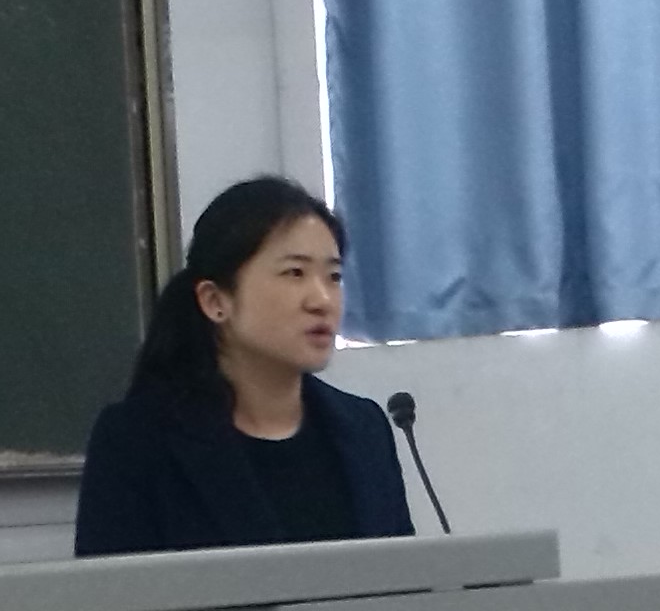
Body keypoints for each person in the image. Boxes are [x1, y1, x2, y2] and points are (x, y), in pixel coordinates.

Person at [75, 176, 414, 557]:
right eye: (295, 273)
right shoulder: (137, 440)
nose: (322, 300)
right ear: (215, 301)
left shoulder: (364, 429)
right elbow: (115, 593)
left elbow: (402, 579)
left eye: (333, 277)